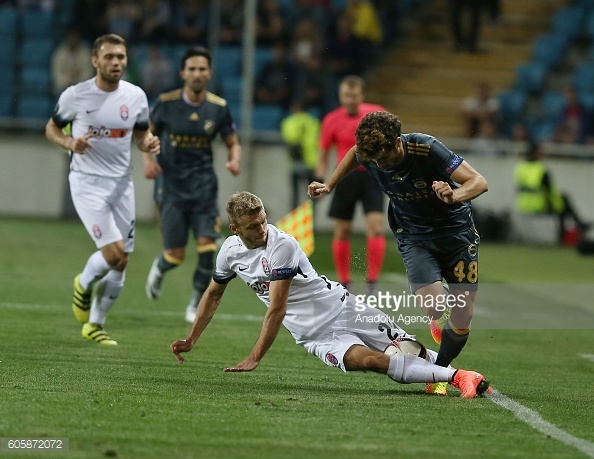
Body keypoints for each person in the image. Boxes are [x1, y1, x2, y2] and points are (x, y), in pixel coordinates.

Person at [170, 191, 492, 399]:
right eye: (253, 227)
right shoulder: (229, 253)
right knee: (371, 362)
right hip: (315, 336)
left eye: (263, 221)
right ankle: (458, 376)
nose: (262, 230)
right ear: (235, 230)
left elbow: (277, 309)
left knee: (407, 349)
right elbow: (213, 295)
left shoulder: (281, 245)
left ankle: (455, 376)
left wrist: (255, 357)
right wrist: (192, 337)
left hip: (344, 309)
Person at [308, 111, 489, 394]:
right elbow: (356, 154)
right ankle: (439, 364)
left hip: (456, 233)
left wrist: (454, 195)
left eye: (382, 158)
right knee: (435, 306)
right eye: (374, 161)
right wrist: (330, 184)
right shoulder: (370, 152)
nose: (379, 165)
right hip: (413, 234)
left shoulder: (425, 148)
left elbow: (479, 182)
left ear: (396, 143)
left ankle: (438, 373)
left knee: (463, 315)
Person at [45, 33, 160, 345]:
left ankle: (95, 324)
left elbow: (141, 134)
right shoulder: (76, 96)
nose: (116, 63)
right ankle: (83, 283)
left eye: (121, 57)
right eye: (109, 57)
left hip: (122, 185)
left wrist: (148, 146)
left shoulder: (136, 96)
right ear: (95, 60)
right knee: (113, 253)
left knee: (122, 260)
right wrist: (70, 142)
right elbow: (52, 127)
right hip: (86, 183)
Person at [143, 46, 242, 324]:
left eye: (202, 69)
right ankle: (161, 268)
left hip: (203, 187)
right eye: (192, 69)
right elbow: (146, 135)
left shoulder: (218, 107)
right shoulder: (166, 102)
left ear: (209, 73)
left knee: (208, 248)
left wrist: (235, 160)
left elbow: (233, 142)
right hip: (171, 186)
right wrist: (147, 161)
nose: (197, 74)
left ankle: (194, 303)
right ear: (182, 73)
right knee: (175, 255)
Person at [315, 75, 387, 294]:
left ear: (362, 96)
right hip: (345, 177)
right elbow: (323, 153)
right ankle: (345, 282)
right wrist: (320, 180)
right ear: (340, 96)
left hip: (372, 176)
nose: (350, 99)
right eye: (346, 95)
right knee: (342, 230)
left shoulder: (376, 114)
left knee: (375, 226)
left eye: (354, 95)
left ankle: (372, 281)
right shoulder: (331, 119)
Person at [514, 141, 590, 244]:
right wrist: (555, 204)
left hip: (523, 204)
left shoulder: (520, 168)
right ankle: (569, 232)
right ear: (536, 153)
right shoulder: (540, 169)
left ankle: (577, 225)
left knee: (563, 202)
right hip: (538, 204)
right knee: (563, 203)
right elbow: (549, 192)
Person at [280, 99, 321, 210]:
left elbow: (289, 138)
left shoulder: (289, 121)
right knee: (312, 194)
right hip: (311, 161)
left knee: (295, 194)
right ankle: (310, 220)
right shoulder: (313, 121)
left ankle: (294, 221)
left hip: (296, 160)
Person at [50, 30, 94, 97]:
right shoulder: (60, 53)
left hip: (81, 86)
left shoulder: (85, 53)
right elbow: (56, 72)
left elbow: (88, 72)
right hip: (63, 86)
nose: (73, 40)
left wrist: (78, 83)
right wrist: (67, 82)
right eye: (71, 38)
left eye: (75, 38)